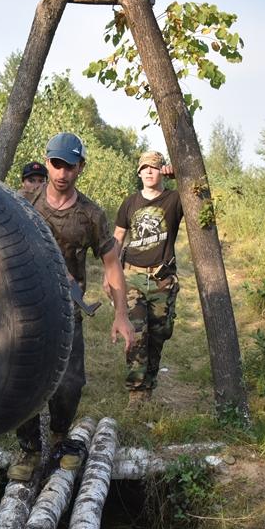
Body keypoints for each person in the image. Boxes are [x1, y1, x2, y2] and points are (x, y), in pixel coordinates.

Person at [7, 132, 135, 481]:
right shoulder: (24, 202)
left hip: (67, 311)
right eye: (56, 164)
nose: (62, 173)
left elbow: (111, 264)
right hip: (26, 309)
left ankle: (61, 437)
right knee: (23, 378)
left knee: (70, 382)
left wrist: (121, 315)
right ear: (47, 163)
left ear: (81, 168)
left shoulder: (91, 214)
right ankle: (30, 450)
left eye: (70, 166)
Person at [112, 150, 184, 406]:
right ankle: (136, 390)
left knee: (159, 333)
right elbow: (117, 239)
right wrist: (110, 276)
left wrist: (181, 175)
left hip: (162, 278)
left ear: (162, 170)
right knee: (136, 333)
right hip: (132, 275)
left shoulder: (175, 199)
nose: (149, 172)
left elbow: (203, 197)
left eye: (155, 167)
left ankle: (149, 379)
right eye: (145, 168)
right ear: (139, 172)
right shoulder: (130, 203)